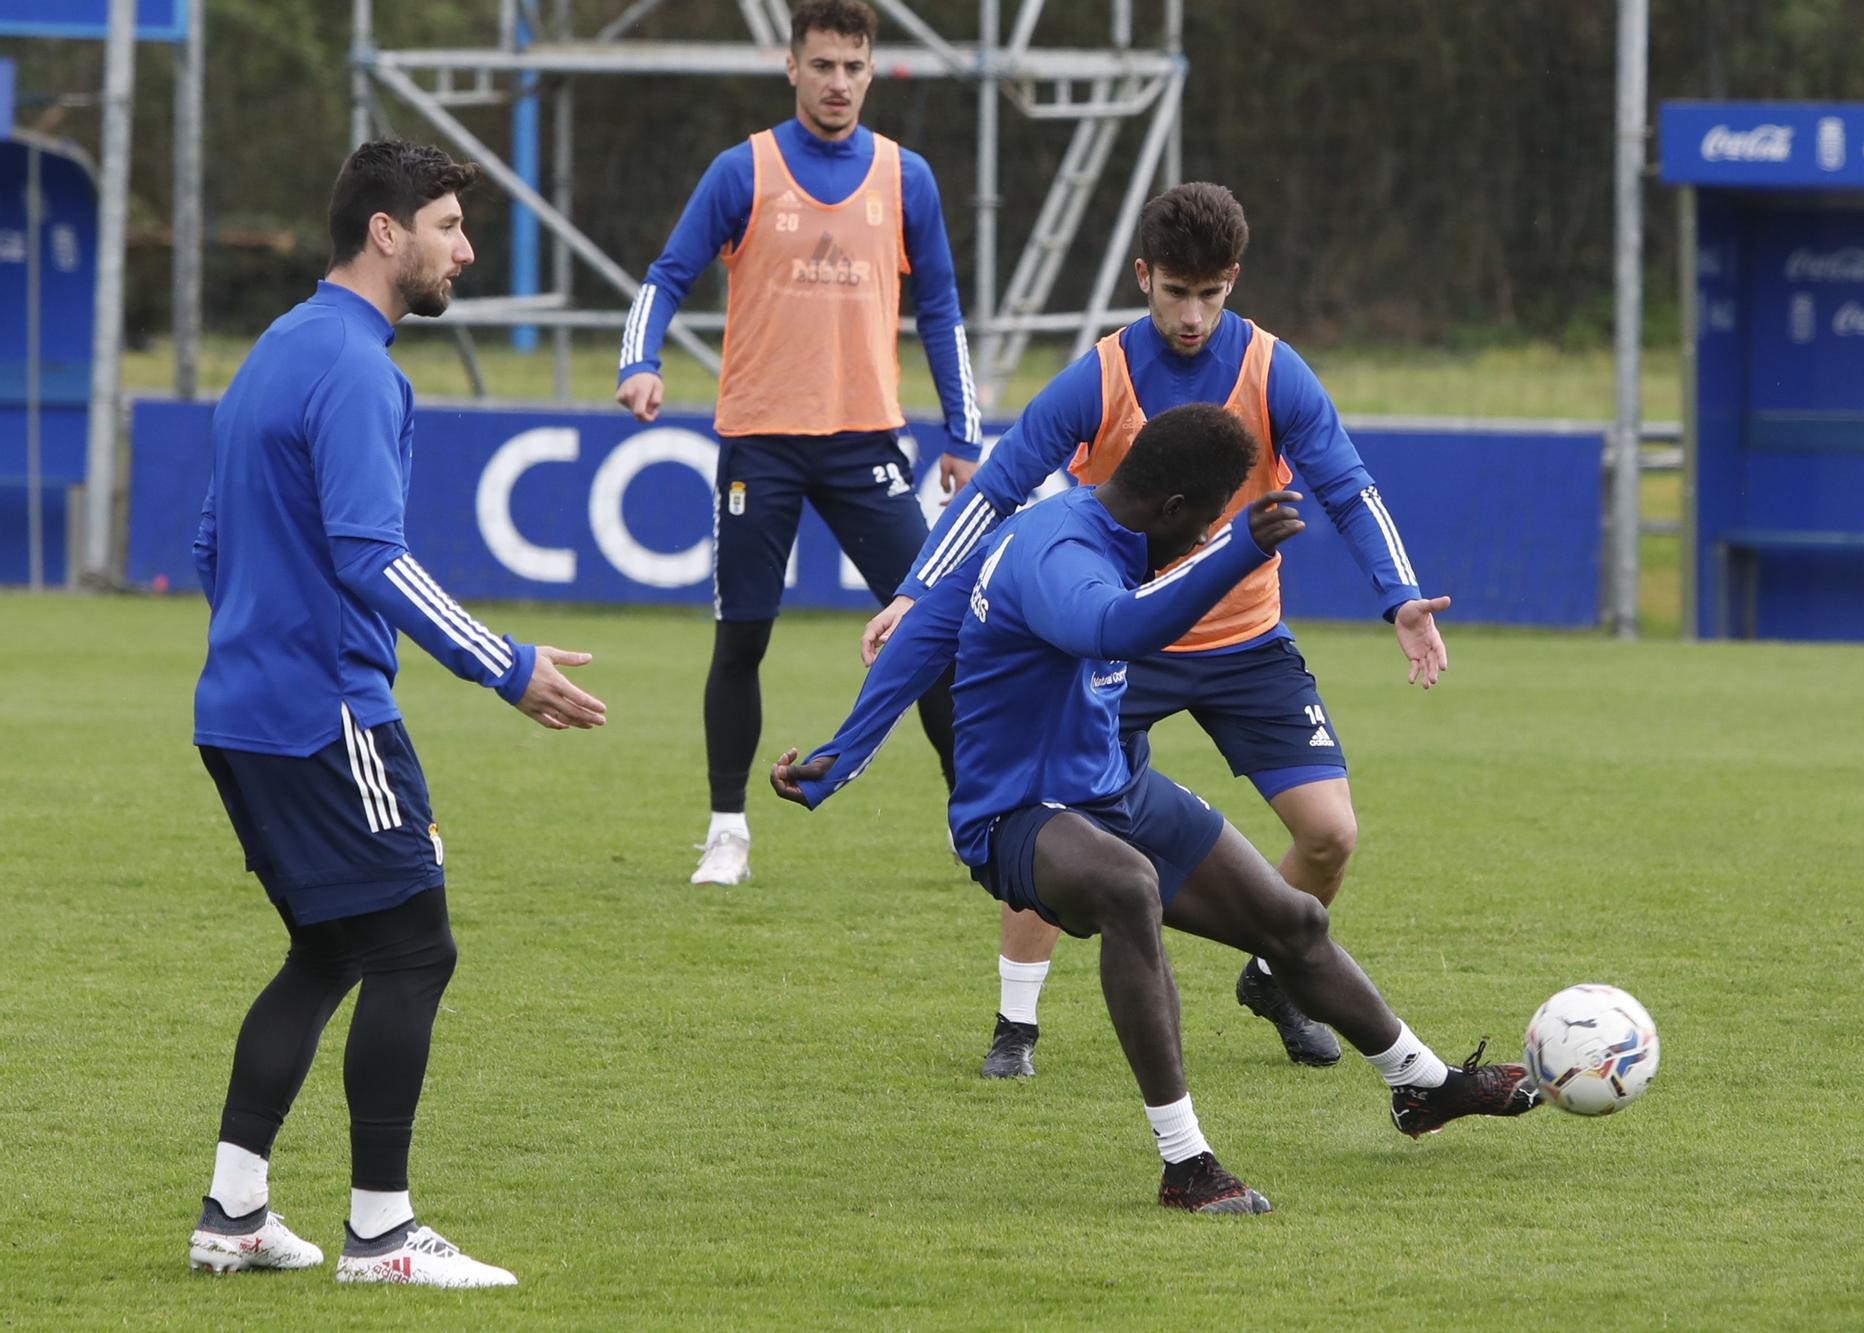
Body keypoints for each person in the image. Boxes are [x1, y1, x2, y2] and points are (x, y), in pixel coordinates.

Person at [771, 404, 1538, 1213]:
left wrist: (838, 753)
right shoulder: (1059, 554)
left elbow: (931, 623)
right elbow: (1112, 628)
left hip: (1114, 786)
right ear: (1173, 510)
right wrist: (1239, 550)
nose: (1205, 537)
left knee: (1294, 923)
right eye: (1205, 524)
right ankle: (1185, 1163)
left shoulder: (1080, 523)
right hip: (1015, 811)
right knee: (1127, 886)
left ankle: (1424, 1087)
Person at [862, 182, 1449, 1079]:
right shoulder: (1100, 375)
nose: (1192, 315)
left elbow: (1348, 484)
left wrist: (1399, 595)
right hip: (1114, 648)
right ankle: (1015, 1024)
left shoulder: (1272, 369)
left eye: (1211, 295)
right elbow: (999, 485)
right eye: (1176, 291)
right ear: (1144, 276)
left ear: (1233, 282)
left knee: (1331, 833)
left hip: (1246, 644)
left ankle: (1277, 975)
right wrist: (917, 587)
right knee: (1054, 815)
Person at [186, 140, 607, 1288]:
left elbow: (211, 542)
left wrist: (261, 644)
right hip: (326, 716)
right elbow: (374, 554)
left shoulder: (277, 346)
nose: (464, 250)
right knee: (416, 947)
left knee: (328, 948)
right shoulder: (362, 368)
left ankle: (234, 1212)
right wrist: (504, 663)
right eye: (449, 227)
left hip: (239, 707)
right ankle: (382, 1234)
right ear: (387, 233)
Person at [615, 0, 980, 887]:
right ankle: (728, 831)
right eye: (823, 65)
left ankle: (977, 817)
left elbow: (941, 308)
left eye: (854, 67)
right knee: (741, 640)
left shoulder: (907, 178)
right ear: (791, 67)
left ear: (870, 71)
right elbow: (666, 276)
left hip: (867, 443)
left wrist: (963, 430)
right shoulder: (743, 169)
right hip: (762, 443)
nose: (839, 84)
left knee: (932, 627)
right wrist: (640, 360)